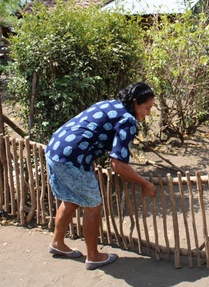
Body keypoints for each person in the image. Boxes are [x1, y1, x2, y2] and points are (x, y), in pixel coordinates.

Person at [45, 82, 157, 270]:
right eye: (147, 108)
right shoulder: (128, 120)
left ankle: (57, 244)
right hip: (73, 159)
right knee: (93, 206)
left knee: (70, 200)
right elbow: (118, 164)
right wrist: (145, 183)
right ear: (136, 102)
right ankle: (94, 256)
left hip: (55, 150)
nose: (148, 113)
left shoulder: (111, 104)